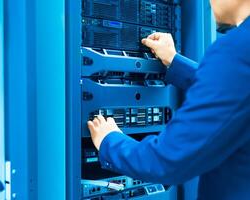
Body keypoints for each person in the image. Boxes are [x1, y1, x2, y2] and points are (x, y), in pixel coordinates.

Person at [87, 0, 250, 199]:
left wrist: (109, 141)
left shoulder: (237, 49)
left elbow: (167, 160)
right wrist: (174, 61)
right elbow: (236, 94)